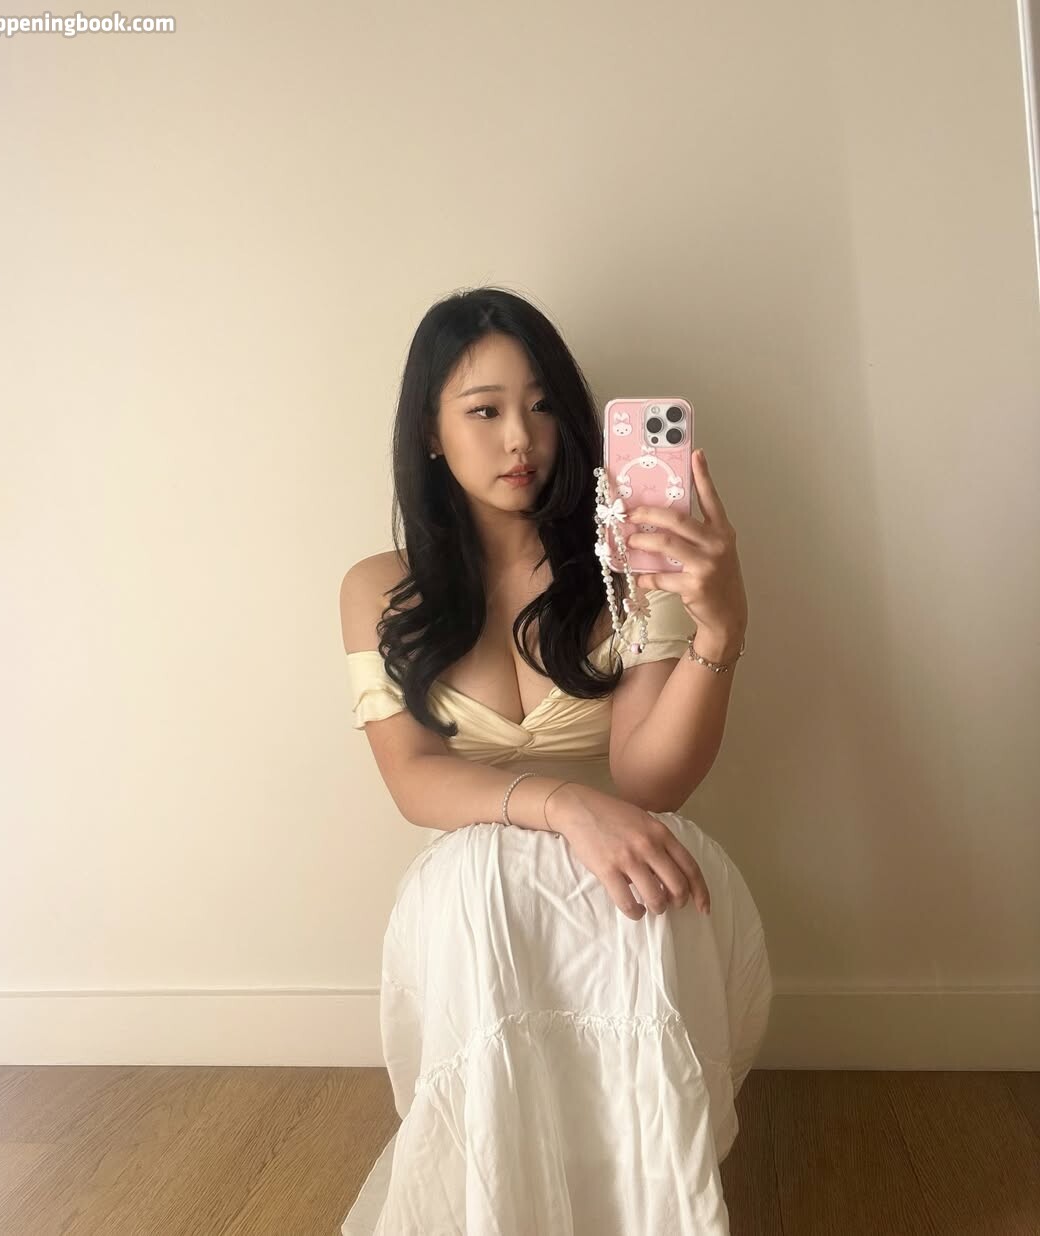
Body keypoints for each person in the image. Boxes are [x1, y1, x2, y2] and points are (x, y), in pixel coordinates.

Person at [339, 286, 772, 1235]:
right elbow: (413, 778)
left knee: (640, 885)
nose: (520, 439)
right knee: (482, 876)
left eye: (541, 406)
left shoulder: (627, 563)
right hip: (484, 876)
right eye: (484, 410)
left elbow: (652, 780)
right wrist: (567, 808)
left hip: (624, 863)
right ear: (430, 432)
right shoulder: (380, 588)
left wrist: (721, 630)